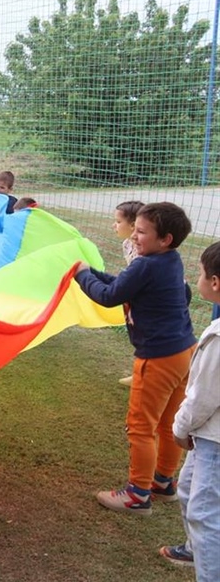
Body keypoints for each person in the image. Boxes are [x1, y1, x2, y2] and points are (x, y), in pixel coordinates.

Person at [73, 202, 198, 514]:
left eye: (141, 232)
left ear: (165, 239)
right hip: (185, 352)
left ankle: (137, 495)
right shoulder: (169, 259)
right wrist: (92, 273)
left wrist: (82, 275)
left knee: (141, 426)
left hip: (158, 358)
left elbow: (109, 295)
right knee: (168, 422)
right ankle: (163, 482)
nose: (134, 236)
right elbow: (124, 286)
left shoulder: (144, 265)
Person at [160, 241, 220, 582]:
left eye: (198, 273)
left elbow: (202, 397)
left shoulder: (218, 340)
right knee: (187, 490)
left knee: (205, 509)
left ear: (215, 282)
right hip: (208, 435)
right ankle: (197, 549)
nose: (196, 279)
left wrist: (180, 428)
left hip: (213, 438)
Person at [113, 200, 145, 386]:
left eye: (118, 222)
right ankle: (139, 372)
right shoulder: (127, 244)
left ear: (134, 225)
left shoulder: (145, 247)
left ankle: (145, 376)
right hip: (139, 296)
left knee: (148, 337)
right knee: (138, 335)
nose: (114, 226)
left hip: (151, 298)